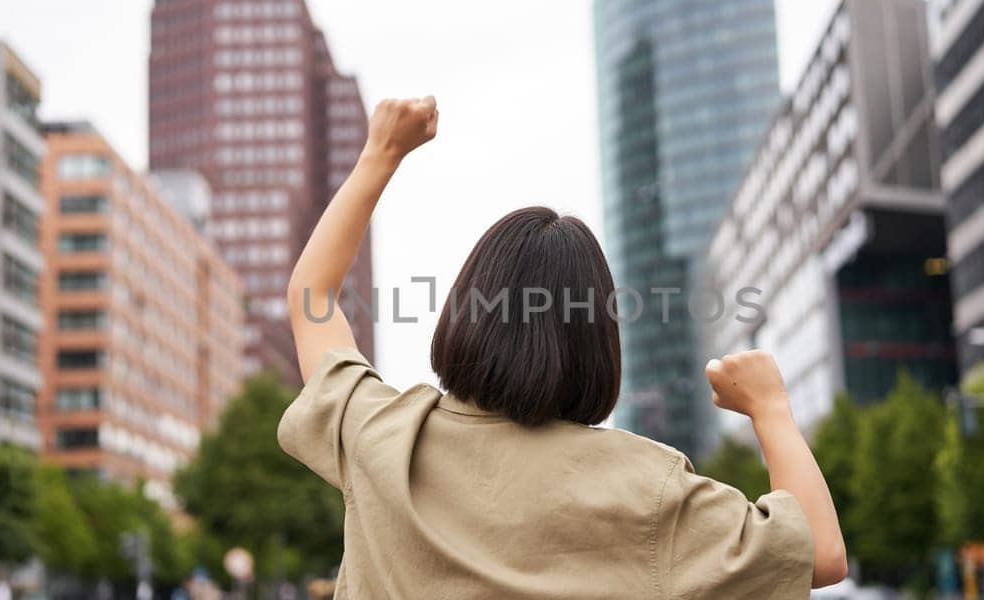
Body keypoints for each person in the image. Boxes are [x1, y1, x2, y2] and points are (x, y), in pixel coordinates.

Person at [281, 96, 847, 598]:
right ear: (597, 343)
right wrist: (770, 409)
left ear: (465, 313)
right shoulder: (650, 488)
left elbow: (312, 297)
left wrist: (382, 153)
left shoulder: (382, 437)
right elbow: (819, 556)